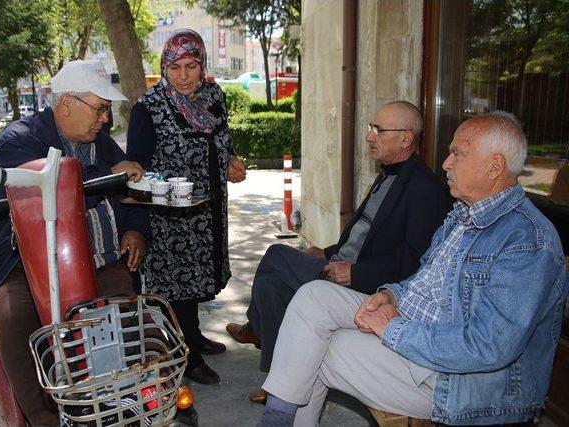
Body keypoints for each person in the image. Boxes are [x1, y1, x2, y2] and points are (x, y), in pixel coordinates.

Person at [257, 112, 569, 426]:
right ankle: (277, 418)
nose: (446, 163)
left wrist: (395, 329)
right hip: (418, 327)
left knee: (317, 350)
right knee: (313, 296)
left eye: (457, 154)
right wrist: (392, 295)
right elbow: (424, 280)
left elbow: (490, 346)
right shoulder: (463, 214)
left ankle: (275, 420)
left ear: (495, 166)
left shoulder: (527, 240)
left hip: (462, 381)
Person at [226, 101, 449, 403]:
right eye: (371, 127)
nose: (370, 136)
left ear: (406, 137)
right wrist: (327, 251)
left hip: (367, 282)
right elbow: (365, 234)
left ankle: (258, 330)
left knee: (277, 255)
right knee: (271, 282)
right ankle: (276, 377)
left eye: (378, 130)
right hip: (341, 262)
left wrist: (354, 272)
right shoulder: (388, 174)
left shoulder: (425, 188)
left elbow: (414, 263)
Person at [0, 59, 148, 426]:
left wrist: (134, 229)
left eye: (107, 110)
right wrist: (107, 175)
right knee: (11, 315)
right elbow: (51, 191)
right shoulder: (20, 140)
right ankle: (43, 417)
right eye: (100, 108)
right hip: (24, 264)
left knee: (125, 311)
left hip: (96, 258)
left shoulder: (101, 145)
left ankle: (119, 404)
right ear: (67, 104)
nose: (105, 119)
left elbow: (128, 190)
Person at [126, 28, 246, 385]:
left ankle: (194, 336)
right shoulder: (149, 108)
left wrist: (230, 158)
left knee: (198, 282)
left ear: (202, 65)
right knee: (177, 285)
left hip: (208, 210)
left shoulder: (213, 96)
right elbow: (136, 168)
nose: (183, 76)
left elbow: (221, 137)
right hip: (170, 218)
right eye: (175, 67)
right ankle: (187, 357)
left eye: (191, 66)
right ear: (165, 66)